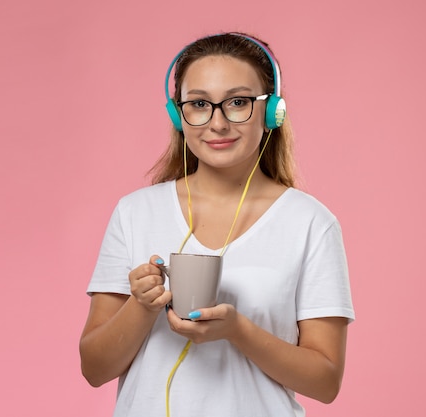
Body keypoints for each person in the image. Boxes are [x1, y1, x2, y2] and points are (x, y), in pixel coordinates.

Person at [79, 32, 355, 417]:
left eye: (238, 102)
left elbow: (325, 383)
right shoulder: (134, 212)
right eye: (199, 104)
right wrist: (141, 307)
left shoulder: (311, 223)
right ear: (179, 115)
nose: (218, 123)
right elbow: (94, 369)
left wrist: (238, 331)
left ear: (273, 110)